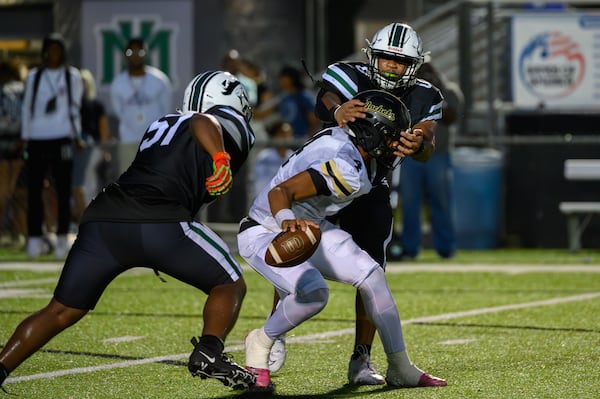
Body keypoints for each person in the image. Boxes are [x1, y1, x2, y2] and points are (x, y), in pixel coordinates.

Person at [0, 70, 256, 393]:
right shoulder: (215, 122)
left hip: (105, 219)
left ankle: (1, 367)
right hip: (160, 222)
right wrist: (220, 157)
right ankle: (209, 351)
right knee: (230, 282)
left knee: (60, 311)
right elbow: (203, 122)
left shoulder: (161, 123)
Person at [268, 22, 445, 386]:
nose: (391, 67)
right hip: (332, 176)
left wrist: (419, 145)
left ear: (414, 65)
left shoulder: (425, 95)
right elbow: (327, 99)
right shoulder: (348, 75)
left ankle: (361, 358)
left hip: (372, 184)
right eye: (385, 59)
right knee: (295, 247)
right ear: (371, 56)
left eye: (400, 62)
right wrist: (338, 111)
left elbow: (427, 140)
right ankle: (274, 334)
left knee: (372, 272)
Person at [21, 33, 84, 259]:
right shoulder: (34, 76)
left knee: (64, 188)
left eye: (59, 49)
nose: (55, 54)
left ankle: (61, 238)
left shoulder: (72, 76)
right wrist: (25, 136)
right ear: (45, 51)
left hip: (63, 136)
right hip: (38, 138)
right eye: (51, 49)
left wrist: (77, 135)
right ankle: (35, 238)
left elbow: (75, 107)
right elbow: (27, 107)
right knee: (34, 189)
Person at [398, 57, 464, 260]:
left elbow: (452, 116)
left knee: (441, 202)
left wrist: (436, 98)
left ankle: (446, 248)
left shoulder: (449, 90)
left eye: (429, 70)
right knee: (409, 203)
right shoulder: (407, 91)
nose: (425, 73)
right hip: (411, 155)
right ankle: (410, 248)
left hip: (439, 155)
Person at [110, 37, 172, 175]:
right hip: (128, 139)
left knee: (155, 179)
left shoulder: (159, 80)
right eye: (131, 52)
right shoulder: (118, 82)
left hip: (155, 139)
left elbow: (165, 109)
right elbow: (118, 110)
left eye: (140, 51)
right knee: (128, 182)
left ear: (146, 54)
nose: (136, 56)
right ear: (125, 55)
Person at [71, 69, 110, 223]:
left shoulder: (93, 105)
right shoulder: (73, 104)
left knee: (85, 183)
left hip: (90, 146)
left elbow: (103, 130)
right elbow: (104, 130)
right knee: (85, 183)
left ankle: (87, 218)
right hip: (82, 145)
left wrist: (104, 149)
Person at [0, 60, 25, 246]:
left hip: (3, 141)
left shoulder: (4, 91)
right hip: (19, 141)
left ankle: (3, 230)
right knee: (16, 191)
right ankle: (17, 231)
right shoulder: (23, 90)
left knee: (3, 192)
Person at [248, 120, 294, 202]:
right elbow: (260, 185)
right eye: (282, 133)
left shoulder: (293, 156)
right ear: (274, 136)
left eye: (288, 133)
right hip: (265, 203)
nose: (286, 137)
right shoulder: (265, 157)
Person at [277, 65, 320, 139]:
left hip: (303, 139)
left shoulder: (305, 96)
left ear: (292, 78)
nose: (280, 80)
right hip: (289, 139)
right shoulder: (285, 98)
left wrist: (309, 138)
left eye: (283, 77)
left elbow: (314, 120)